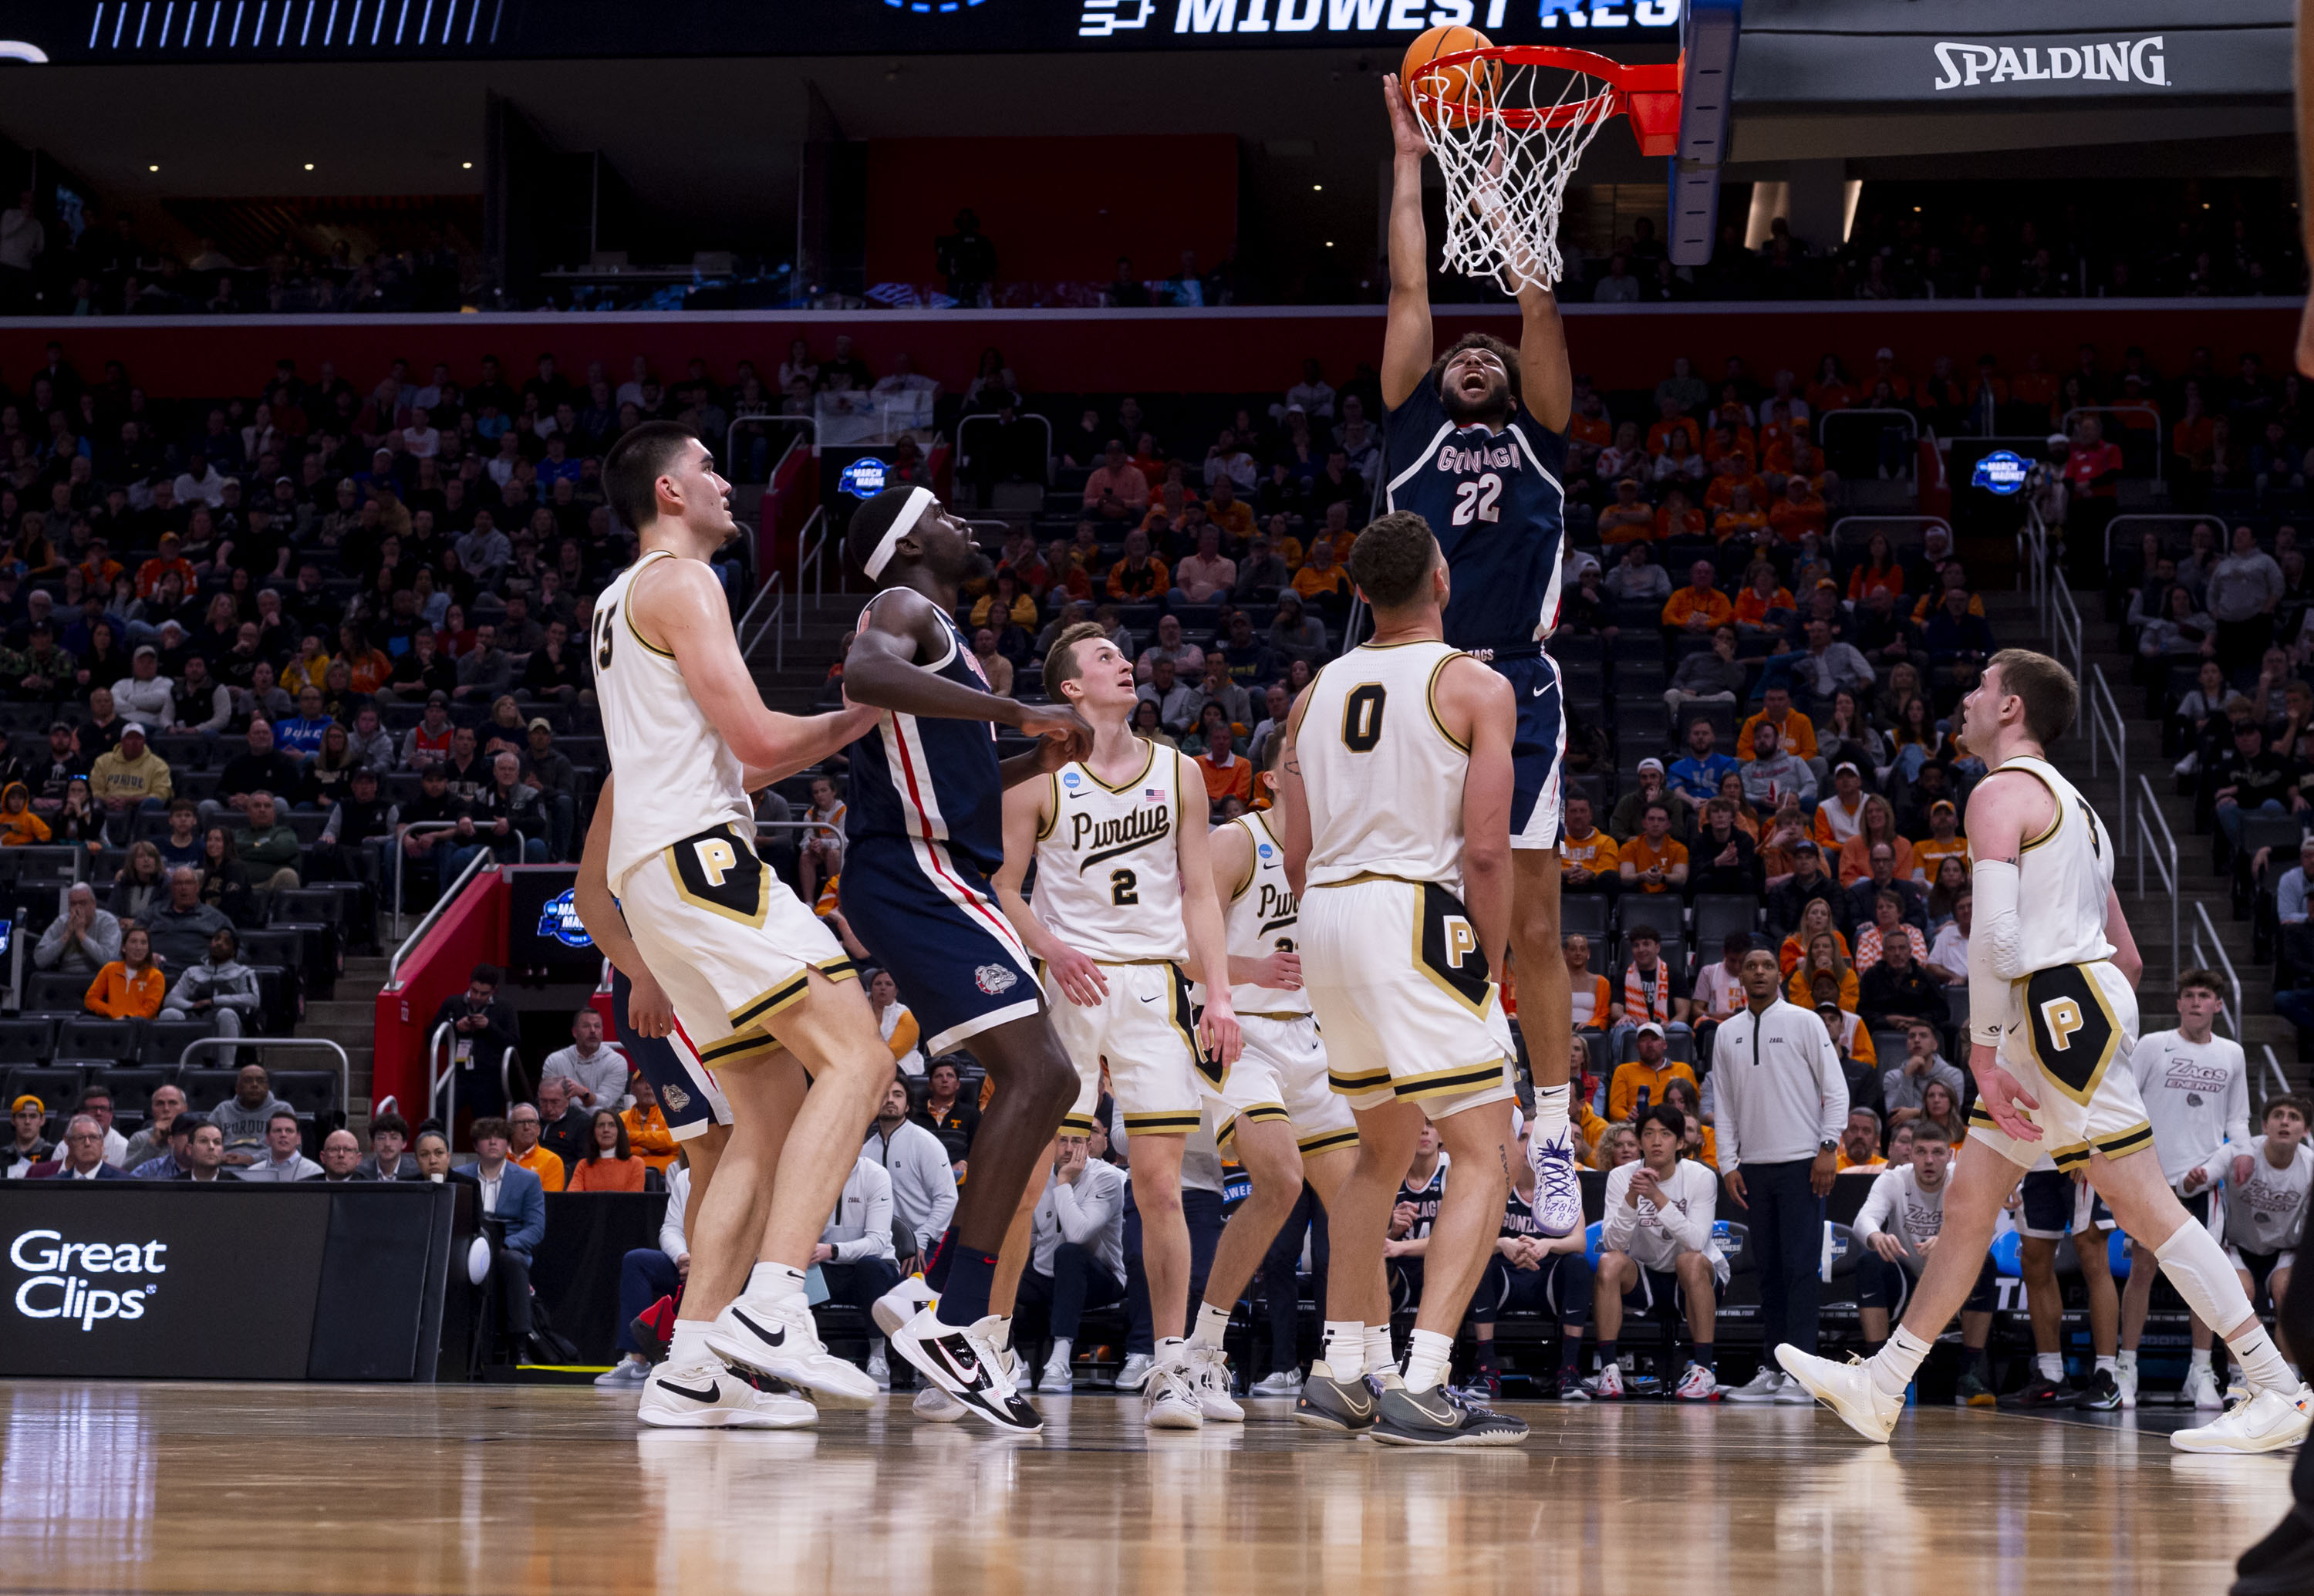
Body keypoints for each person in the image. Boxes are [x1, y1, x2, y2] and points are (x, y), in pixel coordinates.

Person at [1779, 648, 2314, 1453]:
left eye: (1981, 685)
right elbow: (2126, 955)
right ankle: (1883, 1384)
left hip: (2053, 1013)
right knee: (1969, 1199)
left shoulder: (1999, 793)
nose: (1965, 695)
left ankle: (2277, 1386)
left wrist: (1990, 1054)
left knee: (2143, 1204)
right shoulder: (2082, 812)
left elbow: (1992, 936)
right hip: (2068, 1006)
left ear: (2012, 709)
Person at [835, 481, 1096, 1433]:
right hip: (913, 869)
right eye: (943, 514)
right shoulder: (900, 610)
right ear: (907, 543)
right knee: (1042, 1072)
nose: (964, 524)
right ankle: (954, 1313)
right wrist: (1016, 710)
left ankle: (936, 1290)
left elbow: (962, 777)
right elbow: (864, 674)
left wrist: (1037, 756)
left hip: (934, 869)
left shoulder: (942, 640)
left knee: (1047, 1079)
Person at [1377, 74, 1581, 1248]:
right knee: (1415, 913)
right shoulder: (1409, 424)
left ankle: (1549, 1135)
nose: (1468, 351)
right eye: (1455, 348)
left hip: (1515, 676)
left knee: (1539, 923)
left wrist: (1503, 189)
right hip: (1413, 680)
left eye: (1484, 347)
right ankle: (1424, 1131)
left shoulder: (1540, 428)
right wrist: (1413, 161)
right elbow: (1411, 283)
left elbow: (1538, 306)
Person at [1279, 511, 1526, 1446]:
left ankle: (1344, 1369)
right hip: (1412, 911)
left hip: (1329, 917)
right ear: (1442, 579)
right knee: (1486, 1152)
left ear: (1358, 591)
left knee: (1377, 1153)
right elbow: (1491, 851)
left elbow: (1296, 853)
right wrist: (1487, 969)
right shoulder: (1473, 682)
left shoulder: (1312, 694)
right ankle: (1424, 1381)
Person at [992, 618, 1243, 1429]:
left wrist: (1219, 992)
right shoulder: (1037, 778)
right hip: (1069, 986)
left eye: (1123, 654)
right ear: (1071, 687)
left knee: (1162, 1184)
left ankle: (1169, 1365)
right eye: (1105, 657)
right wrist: (1051, 947)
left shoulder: (1180, 772)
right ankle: (989, 1348)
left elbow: (1201, 892)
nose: (1124, 662)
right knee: (1026, 1183)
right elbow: (1004, 886)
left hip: (1152, 990)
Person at [1173, 734, 1359, 1408]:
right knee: (1280, 1180)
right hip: (1238, 1032)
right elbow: (1178, 948)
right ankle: (1202, 1352)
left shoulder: (1337, 852)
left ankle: (1359, 1362)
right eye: (1297, 763)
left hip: (1313, 1039)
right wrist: (1249, 970)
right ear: (1273, 779)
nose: (1312, 773)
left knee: (1358, 1207)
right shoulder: (1237, 843)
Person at [1712, 946, 1846, 1402]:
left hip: (1802, 1164)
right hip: (1753, 1169)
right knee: (1767, 1272)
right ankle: (1772, 1368)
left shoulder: (1805, 1022)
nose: (1759, 972)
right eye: (1751, 966)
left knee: (1800, 1270)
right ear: (1741, 977)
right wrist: (1727, 1163)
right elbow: (1724, 1106)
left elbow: (1837, 1089)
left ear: (1780, 974)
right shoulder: (1726, 1032)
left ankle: (1802, 1375)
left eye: (1768, 965)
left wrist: (1828, 1148)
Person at [2119, 969, 2252, 1408]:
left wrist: (2241, 1153)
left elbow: (2237, 1119)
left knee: (2203, 1278)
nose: (2197, 1002)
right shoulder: (2154, 1046)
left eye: (2206, 996)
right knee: (2142, 1270)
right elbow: (2125, 1102)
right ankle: (2126, 1367)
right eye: (2190, 995)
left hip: (2206, 1182)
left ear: (2218, 1005)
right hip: (2152, 1178)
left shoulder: (2232, 1054)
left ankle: (2201, 1371)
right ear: (2178, 1004)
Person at [1850, 1122, 1999, 1402]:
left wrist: (1949, 1242)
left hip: (1951, 1278)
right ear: (1911, 1155)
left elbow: (1985, 1224)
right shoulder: (1894, 1178)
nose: (1929, 1160)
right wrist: (1876, 1235)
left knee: (1986, 1262)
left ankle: (1970, 1374)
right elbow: (1863, 1220)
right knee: (1870, 1261)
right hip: (1906, 1275)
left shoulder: (1962, 1179)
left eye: (1937, 1152)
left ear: (1950, 1155)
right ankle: (1877, 1375)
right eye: (1921, 1151)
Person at [1593, 1103, 1727, 1400]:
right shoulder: (1620, 1177)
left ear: (1680, 1142)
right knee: (1608, 1263)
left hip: (1695, 1279)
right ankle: (1610, 1370)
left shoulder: (1701, 1177)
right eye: (1649, 1133)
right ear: (1640, 1140)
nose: (1656, 1141)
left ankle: (1704, 1371)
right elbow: (1613, 1244)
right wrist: (1631, 1198)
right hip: (1646, 1276)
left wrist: (1656, 1197)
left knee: (1689, 1260)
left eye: (1665, 1134)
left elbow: (1696, 1240)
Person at [2188, 1096, 2312, 1372]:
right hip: (2236, 1245)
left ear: (2305, 1131)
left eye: (2294, 1117)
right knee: (2240, 1293)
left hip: (2282, 1250)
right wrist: (2193, 1179)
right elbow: (2192, 1185)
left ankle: (2291, 1383)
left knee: (2289, 1294)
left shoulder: (2310, 1164)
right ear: (2265, 1125)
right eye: (2278, 1115)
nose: (2284, 1121)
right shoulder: (2239, 1153)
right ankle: (2241, 1378)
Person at [1017, 1129, 1130, 1392]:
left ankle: (1060, 1361)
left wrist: (1064, 1181)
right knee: (998, 1268)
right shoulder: (1037, 1175)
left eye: (1076, 1141)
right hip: (1046, 1276)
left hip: (1101, 1279)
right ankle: (1012, 1360)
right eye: (1062, 1141)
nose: (1068, 1149)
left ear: (1089, 1146)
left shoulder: (1107, 1178)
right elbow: (1029, 1239)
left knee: (1068, 1253)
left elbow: (1078, 1234)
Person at [451, 1116, 548, 1360]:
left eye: (499, 1137)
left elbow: (536, 1228)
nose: (493, 1142)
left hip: (508, 1247)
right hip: (469, 1246)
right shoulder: (459, 1176)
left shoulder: (528, 1180)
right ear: (475, 1146)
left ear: (508, 1143)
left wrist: (504, 1245)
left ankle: (519, 1345)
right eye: (486, 1138)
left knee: (513, 1262)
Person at [863, 1073, 957, 1274]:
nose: (890, 1100)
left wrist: (921, 1238)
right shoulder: (865, 1151)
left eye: (897, 1095)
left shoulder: (925, 1143)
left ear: (907, 1105)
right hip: (882, 1246)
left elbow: (948, 1198)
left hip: (926, 1242)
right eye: (884, 1095)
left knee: (915, 1302)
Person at [427, 964, 524, 1122]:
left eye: (483, 993)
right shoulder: (453, 1003)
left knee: (488, 1125)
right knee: (440, 1112)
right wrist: (455, 1028)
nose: (477, 996)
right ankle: (437, 1146)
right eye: (474, 990)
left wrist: (489, 1027)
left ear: (494, 990)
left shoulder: (505, 1008)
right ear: (469, 985)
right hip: (457, 1072)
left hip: (489, 1076)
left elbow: (514, 1043)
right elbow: (431, 1037)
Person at [540, 1007, 629, 1112]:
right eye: (586, 1026)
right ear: (575, 1032)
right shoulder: (554, 1061)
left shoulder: (617, 1062)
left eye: (597, 1026)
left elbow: (606, 1103)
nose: (593, 1031)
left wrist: (582, 1093)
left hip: (603, 1124)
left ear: (602, 1032)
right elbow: (550, 1101)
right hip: (565, 1121)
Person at [208, 1063, 289, 1167]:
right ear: (237, 1088)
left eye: (260, 1081)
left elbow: (292, 1148)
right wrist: (219, 1157)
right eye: (248, 1081)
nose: (255, 1085)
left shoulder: (282, 1110)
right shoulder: (222, 1110)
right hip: (226, 1166)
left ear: (268, 1087)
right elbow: (205, 1142)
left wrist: (251, 1159)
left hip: (269, 1166)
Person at [35, 882, 121, 977]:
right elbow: (40, 960)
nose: (77, 908)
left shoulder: (108, 921)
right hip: (65, 977)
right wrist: (67, 934)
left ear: (94, 904)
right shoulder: (62, 922)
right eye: (73, 904)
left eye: (83, 903)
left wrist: (81, 935)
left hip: (99, 976)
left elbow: (108, 961)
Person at [84, 925, 165, 1020]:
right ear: (123, 947)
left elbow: (150, 1009)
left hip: (141, 1028)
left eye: (143, 943)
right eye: (133, 941)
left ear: (148, 949)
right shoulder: (110, 969)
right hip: (113, 1024)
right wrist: (112, 1012)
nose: (138, 947)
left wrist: (126, 1018)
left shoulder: (156, 976)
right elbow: (91, 999)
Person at [566, 1108, 648, 1193]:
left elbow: (634, 1201)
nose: (606, 1130)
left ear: (619, 1131)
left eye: (612, 1125)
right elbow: (573, 1199)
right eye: (601, 1125)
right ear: (593, 1133)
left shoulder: (636, 1163)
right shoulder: (583, 1165)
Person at [29, 1115, 129, 1181]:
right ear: (68, 1143)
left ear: (102, 1143)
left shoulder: (124, 1182)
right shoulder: (52, 1184)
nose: (87, 1143)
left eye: (93, 1137)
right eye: (80, 1138)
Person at [239, 1108, 322, 1183]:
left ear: (298, 1139)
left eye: (289, 1131)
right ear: (268, 1138)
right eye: (278, 1130)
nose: (283, 1135)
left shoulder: (315, 1172)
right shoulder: (252, 1173)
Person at [359, 1112, 420, 1181]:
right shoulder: (360, 1173)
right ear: (373, 1143)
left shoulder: (418, 1172)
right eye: (381, 1138)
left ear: (404, 1143)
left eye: (394, 1138)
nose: (387, 1144)